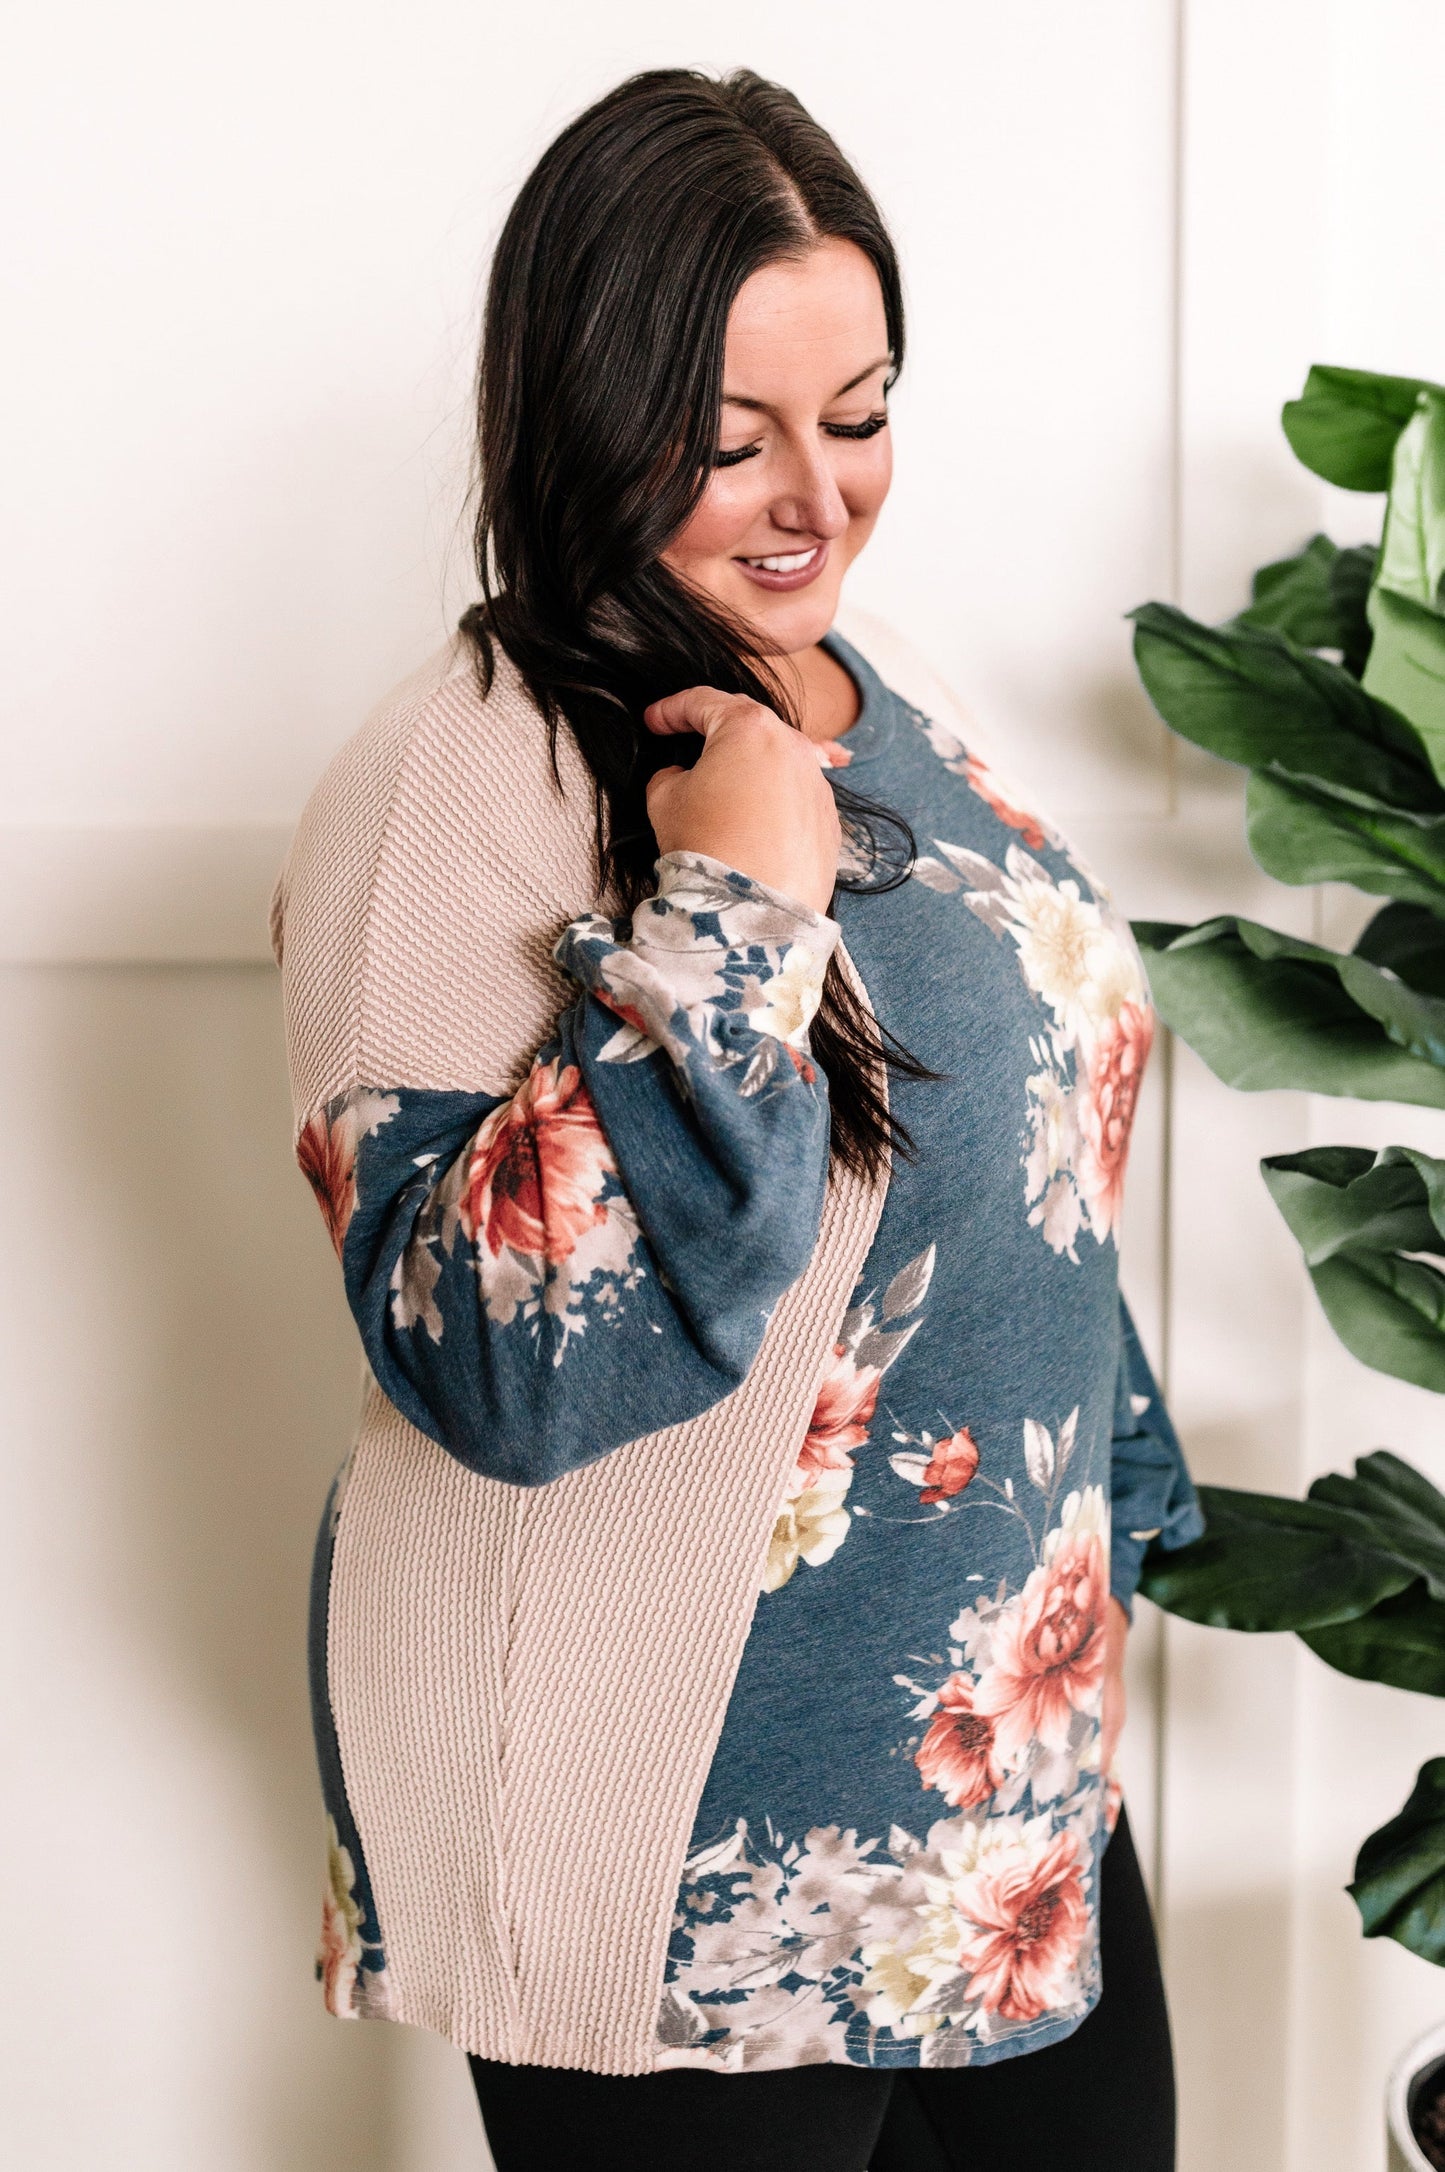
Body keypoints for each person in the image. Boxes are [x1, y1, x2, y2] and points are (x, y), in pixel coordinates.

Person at [271, 66, 1204, 2172]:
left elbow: (1014, 1158)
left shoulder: (891, 694)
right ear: (587, 420)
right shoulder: (462, 779)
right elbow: (490, 1360)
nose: (813, 498)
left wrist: (1113, 1507)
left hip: (1002, 1823)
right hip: (694, 1854)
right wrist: (733, 907)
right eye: (725, 440)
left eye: (857, 414)